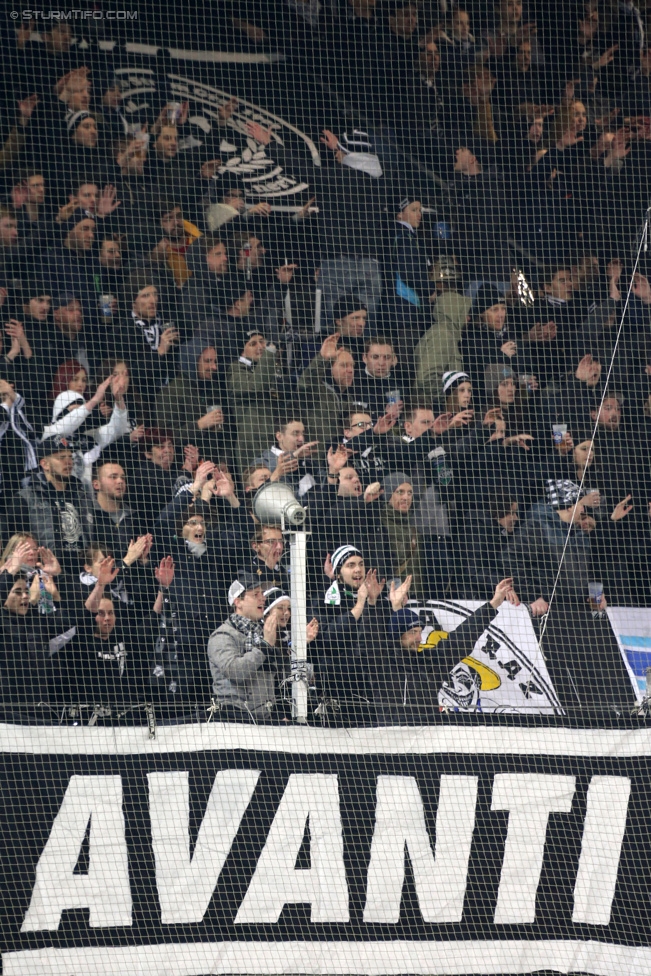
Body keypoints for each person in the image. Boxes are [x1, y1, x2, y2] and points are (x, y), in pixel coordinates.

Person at [207, 573, 288, 721]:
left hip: (265, 719)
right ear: (238, 602)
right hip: (233, 719)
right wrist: (264, 646)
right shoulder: (222, 635)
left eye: (262, 593)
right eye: (255, 594)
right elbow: (235, 671)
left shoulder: (262, 633)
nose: (262, 598)